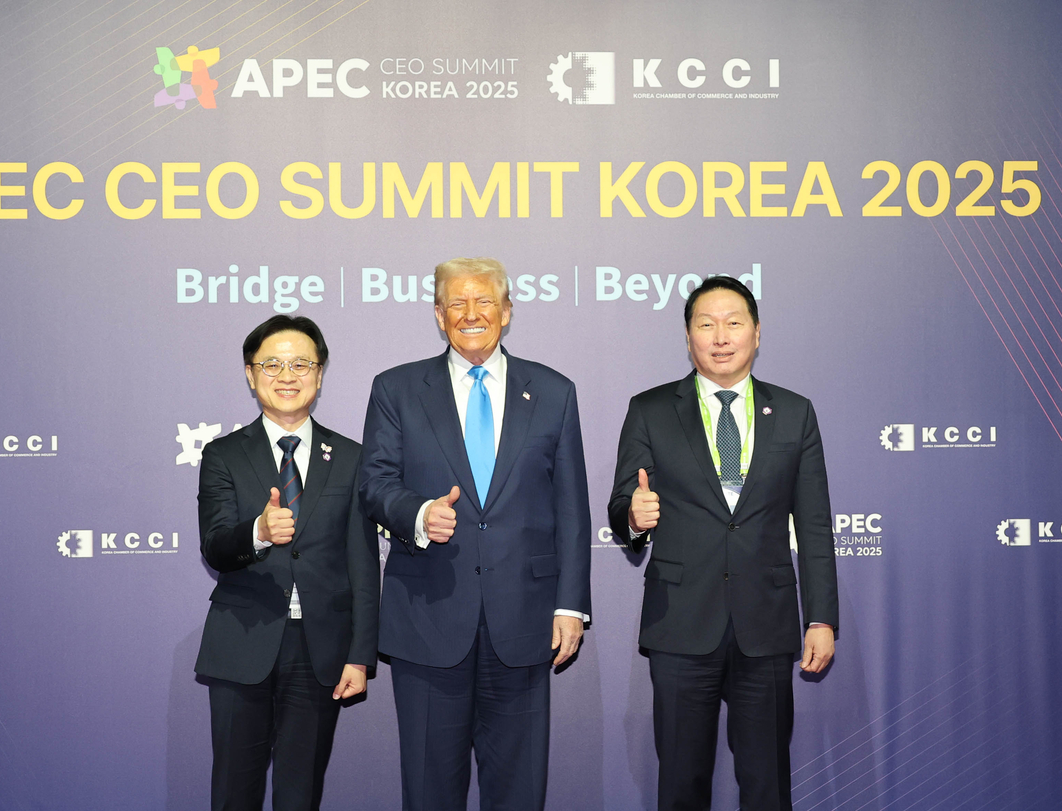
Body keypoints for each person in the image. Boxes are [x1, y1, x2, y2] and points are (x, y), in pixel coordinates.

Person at [359, 257, 591, 811]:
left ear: (507, 311)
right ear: (439, 316)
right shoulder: (396, 388)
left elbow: (572, 508)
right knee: (429, 790)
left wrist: (570, 607)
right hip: (428, 619)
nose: (471, 314)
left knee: (520, 790)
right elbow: (374, 484)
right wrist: (417, 514)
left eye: (484, 301)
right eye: (456, 304)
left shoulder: (554, 392)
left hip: (526, 622)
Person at [607, 276, 838, 811]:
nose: (720, 336)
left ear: (756, 333)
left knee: (766, 783)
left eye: (734, 323)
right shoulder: (650, 409)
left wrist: (821, 617)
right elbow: (622, 507)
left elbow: (815, 522)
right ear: (688, 337)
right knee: (682, 781)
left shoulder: (796, 412)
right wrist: (635, 518)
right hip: (682, 623)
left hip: (767, 622)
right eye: (705, 324)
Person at [195, 315, 379, 811]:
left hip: (320, 651)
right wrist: (257, 532)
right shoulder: (223, 454)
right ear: (250, 375)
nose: (287, 374)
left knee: (301, 795)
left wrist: (360, 653)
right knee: (235, 792)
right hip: (243, 640)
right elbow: (213, 544)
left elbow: (363, 563)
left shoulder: (352, 457)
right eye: (272, 364)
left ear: (319, 376)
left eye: (301, 363)